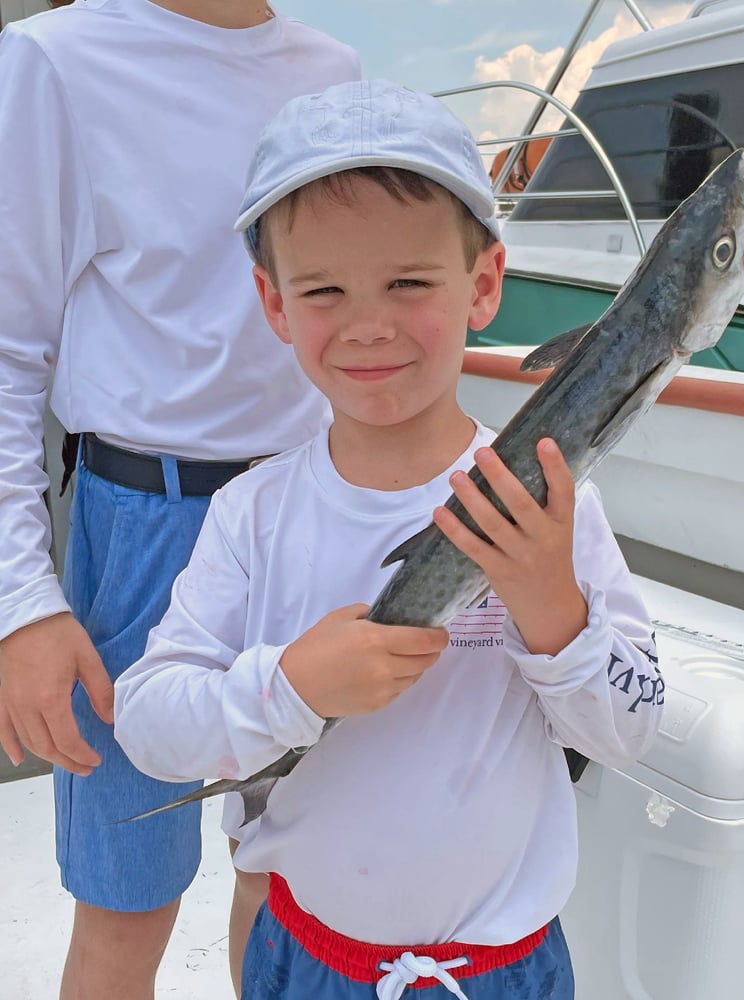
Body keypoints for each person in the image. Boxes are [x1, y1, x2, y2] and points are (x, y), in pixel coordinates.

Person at [113, 78, 665, 999]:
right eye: (324, 288)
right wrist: (288, 688)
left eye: (409, 281)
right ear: (275, 302)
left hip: (507, 970)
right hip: (307, 961)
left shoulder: (553, 502)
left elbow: (632, 727)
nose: (369, 324)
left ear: (483, 282)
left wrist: (548, 606)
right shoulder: (251, 512)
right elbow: (149, 720)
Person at [0, 2, 359, 997]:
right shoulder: (54, 58)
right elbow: (6, 344)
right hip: (140, 521)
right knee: (124, 903)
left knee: (286, 874)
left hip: (312, 512)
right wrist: (22, 603)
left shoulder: (333, 68)